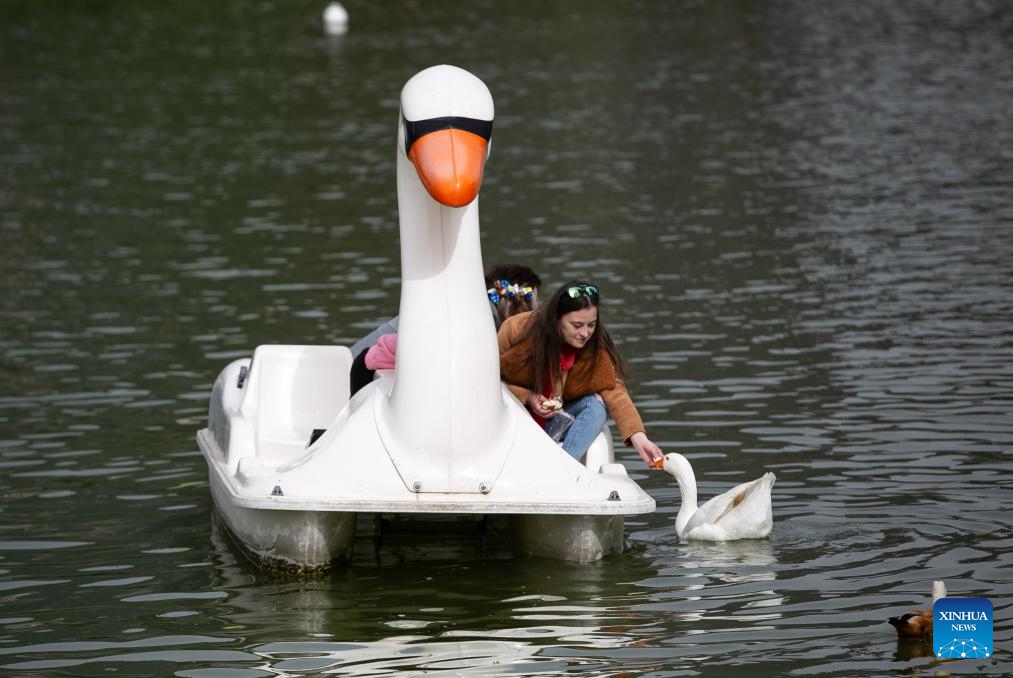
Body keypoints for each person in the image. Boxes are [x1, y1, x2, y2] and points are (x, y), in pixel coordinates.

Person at [498, 280, 664, 467]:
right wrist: (528, 397)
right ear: (556, 318)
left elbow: (613, 388)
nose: (585, 333)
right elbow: (489, 378)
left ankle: (563, 469)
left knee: (595, 407)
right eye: (577, 325)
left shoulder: (593, 348)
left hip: (553, 422)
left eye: (591, 325)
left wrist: (639, 438)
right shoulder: (516, 329)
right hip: (514, 422)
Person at [348, 263, 542, 396]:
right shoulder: (480, 318)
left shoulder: (470, 304)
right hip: (364, 372)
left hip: (361, 365)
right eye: (531, 299)